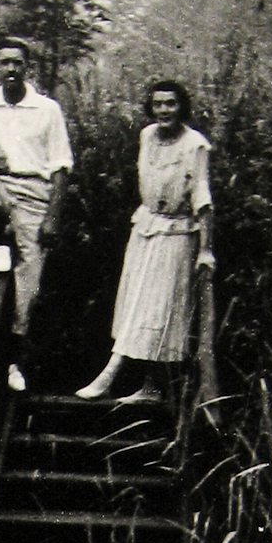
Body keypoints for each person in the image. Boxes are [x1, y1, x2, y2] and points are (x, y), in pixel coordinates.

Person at [76, 81, 215, 403]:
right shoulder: (147, 136)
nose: (164, 110)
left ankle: (112, 374)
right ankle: (149, 387)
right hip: (145, 228)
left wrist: (206, 249)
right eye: (158, 104)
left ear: (182, 107)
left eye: (171, 104)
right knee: (135, 303)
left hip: (177, 234)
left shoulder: (196, 145)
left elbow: (203, 200)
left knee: (159, 309)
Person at [0, 35, 73, 394]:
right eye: (5, 62)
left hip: (34, 193)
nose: (11, 69)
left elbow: (61, 167)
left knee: (28, 284)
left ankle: (14, 361)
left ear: (27, 67)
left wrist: (52, 216)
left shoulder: (47, 109)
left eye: (17, 63)